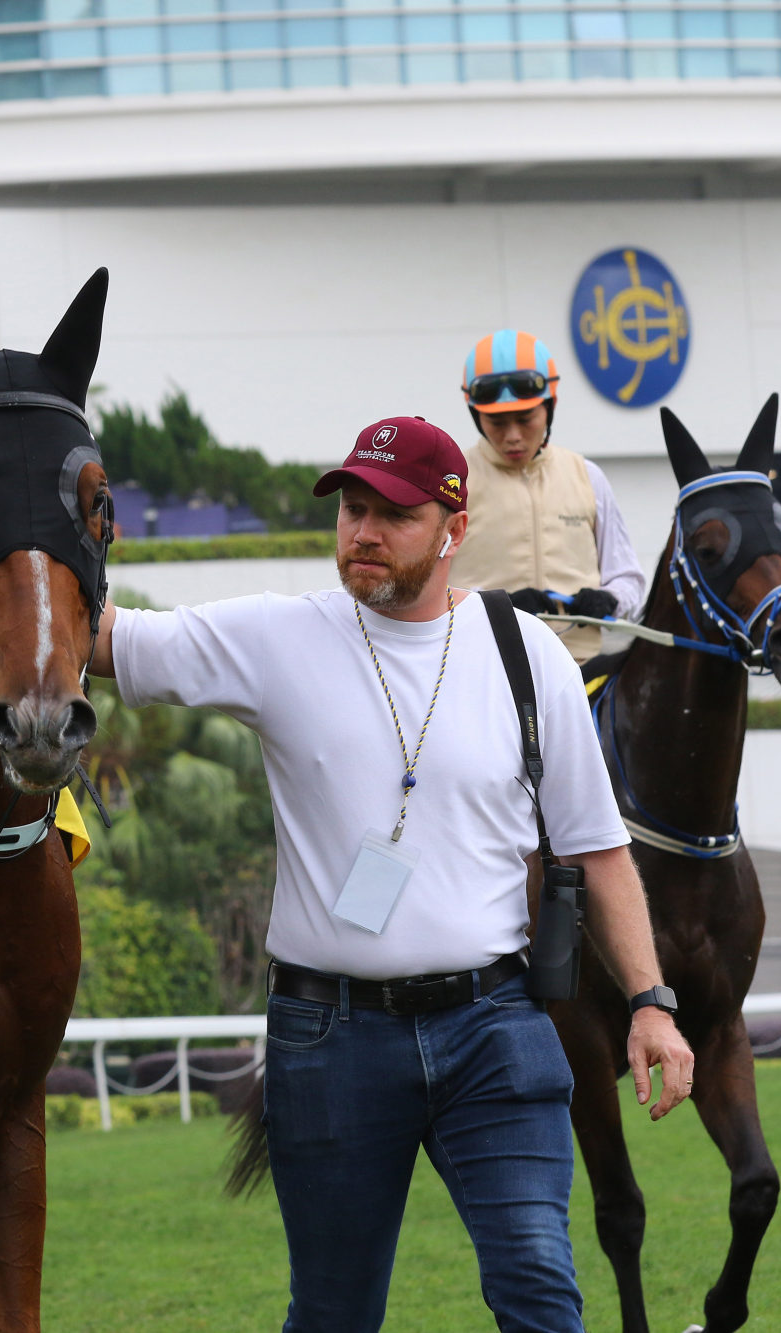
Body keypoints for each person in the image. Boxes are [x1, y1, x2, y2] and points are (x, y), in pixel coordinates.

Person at [88, 416, 695, 1332]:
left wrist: (651, 1000)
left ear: (453, 532)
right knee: (334, 1311)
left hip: (497, 1025)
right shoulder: (279, 635)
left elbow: (597, 850)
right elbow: (99, 641)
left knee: (539, 1283)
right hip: (328, 1035)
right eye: (352, 508)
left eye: (393, 515)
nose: (362, 531)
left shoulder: (531, 659)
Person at [450, 330, 646, 662]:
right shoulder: (454, 482)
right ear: (476, 415)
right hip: (483, 667)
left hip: (580, 671)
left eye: (526, 419)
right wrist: (495, 607)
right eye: (496, 422)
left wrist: (610, 599)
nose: (513, 436)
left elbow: (628, 579)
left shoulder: (589, 476)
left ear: (550, 406)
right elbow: (424, 590)